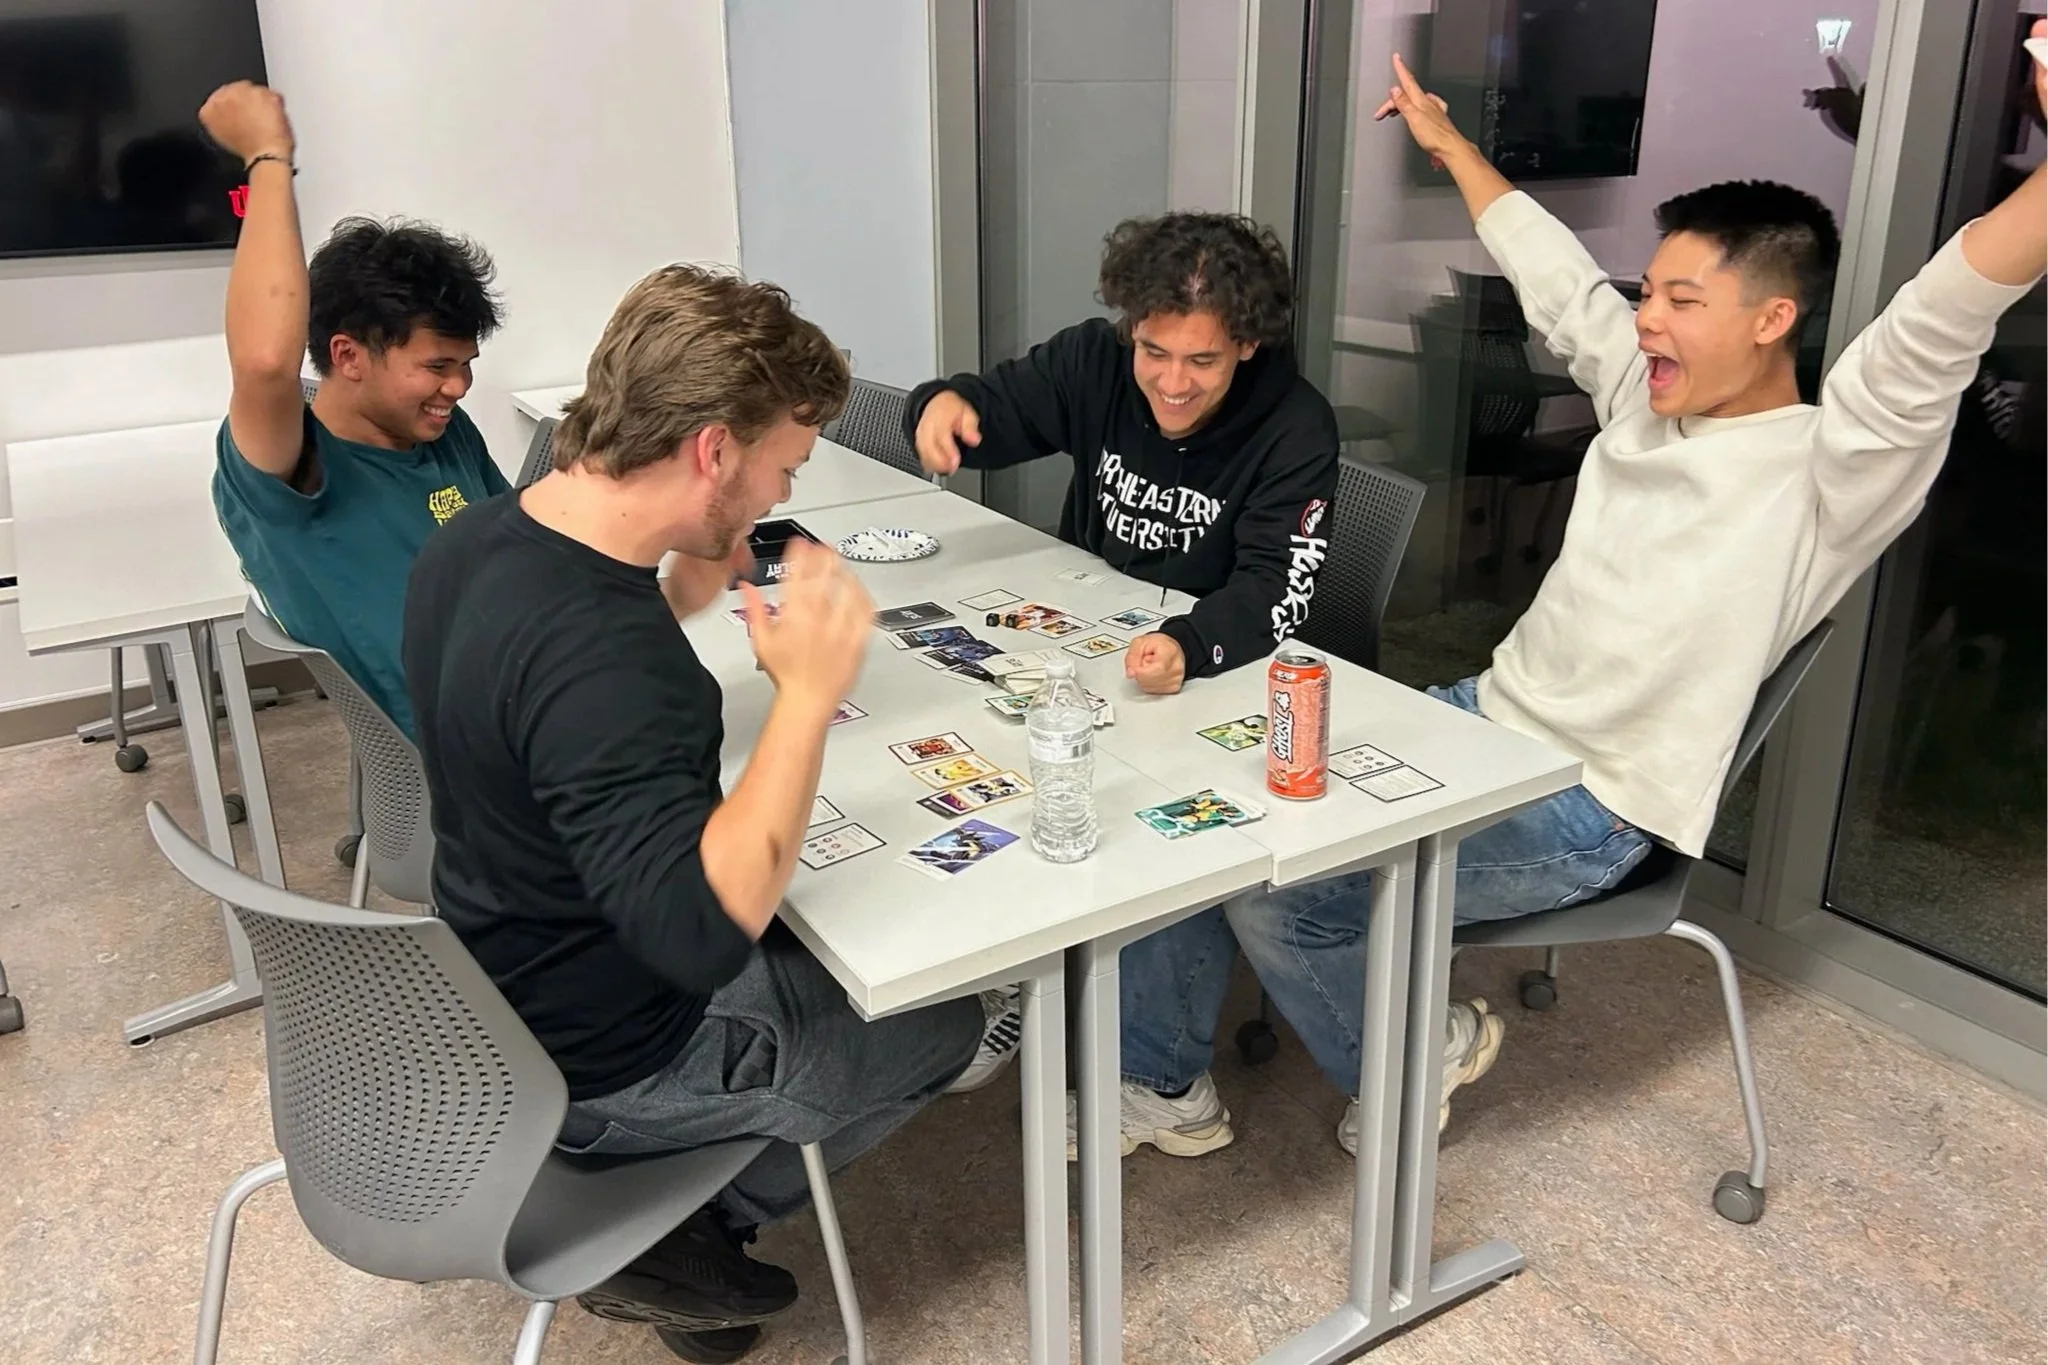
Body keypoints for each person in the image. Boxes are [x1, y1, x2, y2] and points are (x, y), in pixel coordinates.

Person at [1095, 53, 2048, 1162]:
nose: (1644, 319)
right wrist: (1448, 144)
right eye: (1646, 291)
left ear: (1769, 317)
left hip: (1597, 803)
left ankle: (1420, 1057)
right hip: (1481, 718)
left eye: (1680, 300)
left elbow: (1944, 309)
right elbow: (1555, 280)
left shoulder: (1832, 466)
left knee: (1284, 899)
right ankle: (1163, 1086)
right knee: (1194, 797)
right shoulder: (1644, 406)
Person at [402, 264, 983, 1363]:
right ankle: (677, 1230)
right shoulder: (610, 666)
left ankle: (677, 1228)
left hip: (492, 992)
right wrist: (807, 696)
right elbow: (701, 935)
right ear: (712, 449)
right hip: (611, 1060)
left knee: (832, 946)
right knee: (946, 1019)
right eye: (778, 470)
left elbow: (552, 742)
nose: (775, 501)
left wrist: (681, 588)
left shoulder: (474, 541)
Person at [907, 211, 1341, 698]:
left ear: (1247, 344)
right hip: (1081, 630)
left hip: (1210, 667)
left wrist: (1192, 644)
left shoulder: (1296, 426)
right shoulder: (1093, 360)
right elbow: (994, 412)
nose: (1173, 384)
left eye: (1202, 361)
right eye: (1154, 353)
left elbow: (1275, 584)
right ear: (1133, 326)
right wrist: (942, 406)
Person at [202, 80, 506, 740]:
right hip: (475, 761)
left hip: (528, 685)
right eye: (436, 366)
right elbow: (263, 363)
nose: (457, 387)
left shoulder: (441, 431)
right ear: (349, 355)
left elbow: (517, 549)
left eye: (466, 366)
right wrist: (268, 155)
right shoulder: (293, 471)